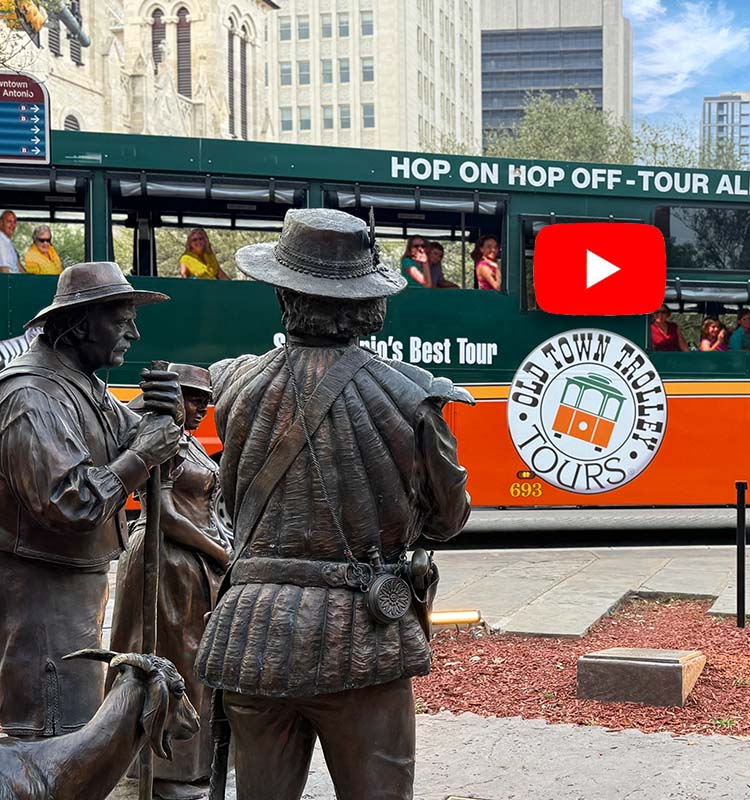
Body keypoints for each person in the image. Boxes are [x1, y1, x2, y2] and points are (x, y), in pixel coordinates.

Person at [195, 209, 473, 800]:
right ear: (365, 303)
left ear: (284, 296)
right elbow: (448, 521)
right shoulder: (414, 397)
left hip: (251, 635)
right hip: (361, 639)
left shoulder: (232, 383)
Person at [0, 262, 182, 738]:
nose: (135, 335)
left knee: (75, 741)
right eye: (122, 322)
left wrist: (168, 418)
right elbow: (69, 503)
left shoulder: (83, 384)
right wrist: (144, 453)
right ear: (82, 323)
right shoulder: (32, 395)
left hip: (74, 591)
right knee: (49, 742)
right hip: (42, 604)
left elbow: (161, 460)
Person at [108, 363, 230, 800]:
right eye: (192, 397)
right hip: (165, 560)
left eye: (205, 399)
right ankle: (163, 770)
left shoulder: (189, 442)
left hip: (192, 562)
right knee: (170, 661)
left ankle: (192, 765)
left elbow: (202, 507)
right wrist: (220, 553)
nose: (201, 407)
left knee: (195, 663)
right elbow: (167, 515)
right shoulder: (160, 439)